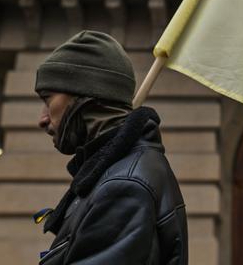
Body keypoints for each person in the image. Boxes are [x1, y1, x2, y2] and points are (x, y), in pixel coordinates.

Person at [34, 30, 188, 264]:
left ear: (83, 98)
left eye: (47, 99)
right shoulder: (114, 174)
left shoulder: (122, 185)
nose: (42, 119)